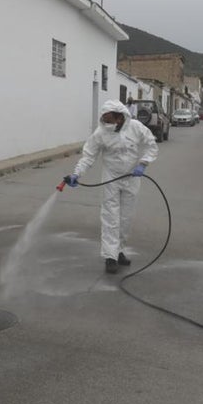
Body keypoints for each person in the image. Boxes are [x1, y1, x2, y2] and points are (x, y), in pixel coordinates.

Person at [64, 99, 158, 274]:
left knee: (126, 218)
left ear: (120, 117)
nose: (106, 122)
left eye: (109, 119)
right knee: (110, 217)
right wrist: (76, 174)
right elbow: (88, 155)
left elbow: (151, 145)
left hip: (131, 178)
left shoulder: (136, 127)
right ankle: (110, 256)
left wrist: (143, 164)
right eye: (104, 119)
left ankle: (119, 250)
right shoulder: (101, 133)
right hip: (111, 179)